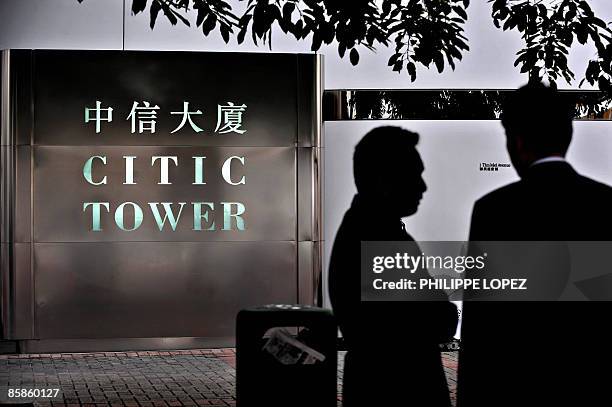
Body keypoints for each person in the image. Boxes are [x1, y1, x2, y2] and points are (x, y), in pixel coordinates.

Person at [458, 82, 612, 406]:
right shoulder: (605, 204)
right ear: (566, 136)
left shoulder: (493, 211)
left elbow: (481, 326)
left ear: (518, 141)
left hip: (516, 387)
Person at [329, 126, 458, 407]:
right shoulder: (380, 239)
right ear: (384, 180)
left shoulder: (363, 228)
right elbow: (438, 320)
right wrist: (444, 307)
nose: (422, 186)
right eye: (414, 174)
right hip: (400, 391)